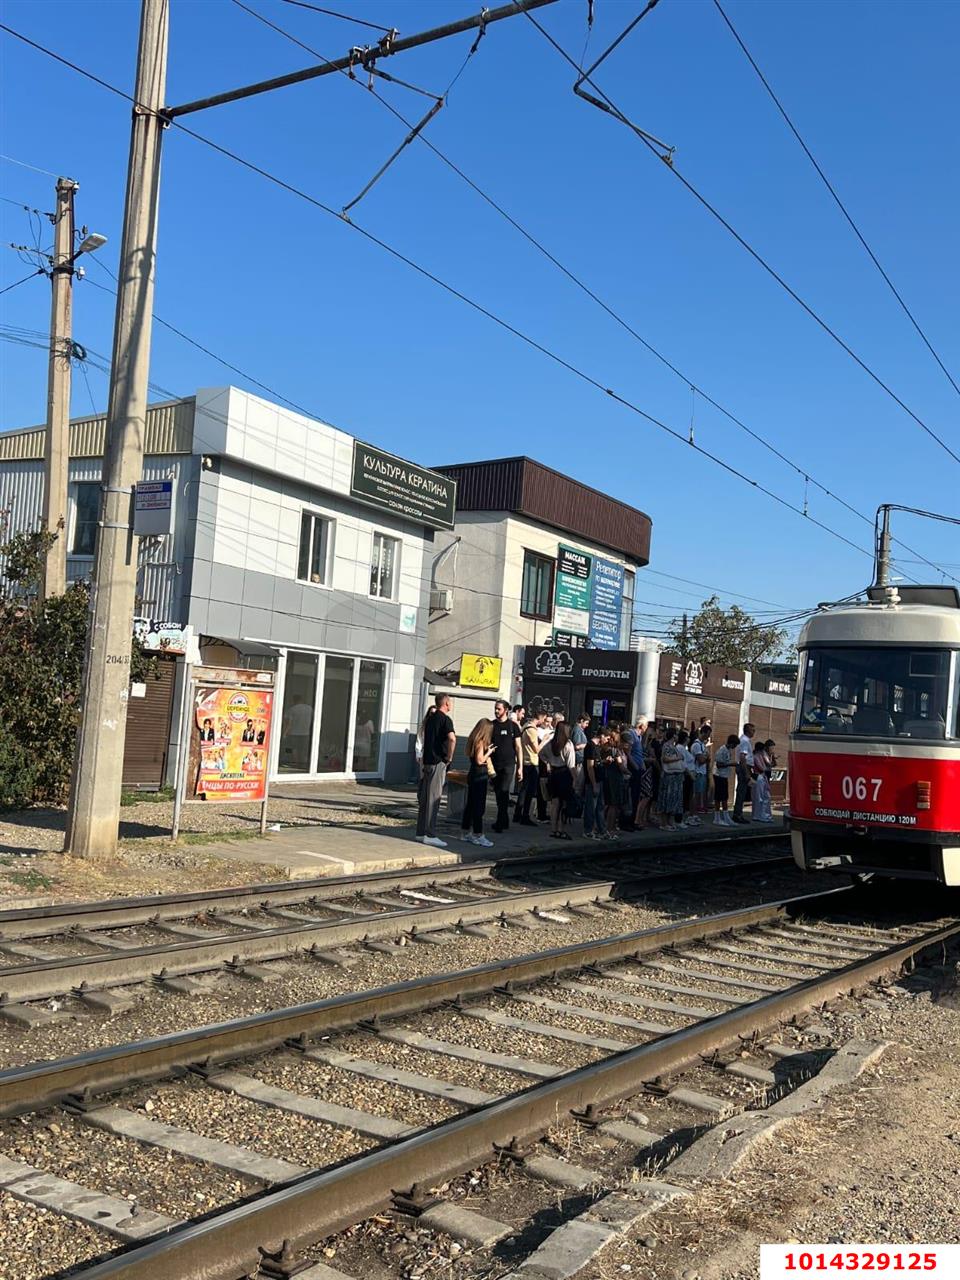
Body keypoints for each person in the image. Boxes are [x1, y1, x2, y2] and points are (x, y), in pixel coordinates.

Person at [415, 695, 455, 848]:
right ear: (445, 703)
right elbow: (452, 739)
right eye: (450, 701)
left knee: (425, 798)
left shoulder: (430, 719)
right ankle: (430, 834)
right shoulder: (445, 720)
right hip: (439, 761)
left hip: (427, 761)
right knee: (434, 798)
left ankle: (420, 832)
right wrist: (449, 757)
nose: (450, 704)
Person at [460, 719, 495, 847]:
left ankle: (465, 832)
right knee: (478, 806)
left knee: (470, 804)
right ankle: (478, 834)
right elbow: (480, 760)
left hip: (473, 773)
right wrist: (489, 753)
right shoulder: (480, 742)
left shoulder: (473, 739)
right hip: (479, 774)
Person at [490, 699, 522, 832]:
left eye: (499, 709)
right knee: (498, 793)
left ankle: (500, 823)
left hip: (508, 765)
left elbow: (519, 747)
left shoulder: (513, 726)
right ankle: (504, 820)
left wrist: (520, 767)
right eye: (495, 708)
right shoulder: (491, 725)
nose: (497, 711)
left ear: (506, 710)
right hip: (495, 764)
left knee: (504, 791)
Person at [541, 719, 576, 839]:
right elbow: (571, 765)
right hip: (564, 773)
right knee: (564, 803)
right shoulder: (568, 744)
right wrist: (575, 779)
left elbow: (541, 754)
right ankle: (561, 829)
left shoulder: (551, 743)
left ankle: (553, 829)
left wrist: (548, 763)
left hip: (554, 774)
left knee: (554, 803)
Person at [514, 710, 545, 826]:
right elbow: (536, 749)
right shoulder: (532, 730)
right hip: (531, 762)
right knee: (529, 791)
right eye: (544, 719)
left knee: (523, 790)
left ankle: (517, 815)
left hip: (525, 762)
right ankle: (525, 816)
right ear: (541, 718)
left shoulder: (525, 726)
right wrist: (545, 740)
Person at [582, 726, 608, 839]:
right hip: (593, 781)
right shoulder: (591, 746)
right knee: (591, 807)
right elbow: (590, 767)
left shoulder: (597, 747)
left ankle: (601, 829)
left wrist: (603, 761)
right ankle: (588, 830)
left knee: (599, 806)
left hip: (599, 779)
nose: (607, 740)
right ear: (601, 736)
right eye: (606, 738)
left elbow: (595, 763)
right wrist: (593, 784)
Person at [658, 728, 685, 831]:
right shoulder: (667, 746)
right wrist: (678, 758)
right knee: (667, 799)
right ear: (674, 735)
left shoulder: (673, 746)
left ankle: (669, 821)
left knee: (673, 800)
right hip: (669, 776)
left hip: (675, 776)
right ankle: (664, 823)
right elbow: (665, 758)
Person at [712, 733, 738, 826]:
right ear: (731, 743)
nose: (734, 747)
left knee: (724, 797)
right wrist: (730, 764)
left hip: (724, 776)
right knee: (719, 797)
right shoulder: (721, 750)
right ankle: (717, 818)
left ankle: (726, 817)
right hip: (719, 775)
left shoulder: (728, 750)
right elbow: (719, 765)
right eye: (734, 745)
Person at [733, 722, 756, 824]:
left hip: (743, 767)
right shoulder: (745, 741)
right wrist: (747, 773)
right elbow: (743, 757)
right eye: (752, 730)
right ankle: (737, 815)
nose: (754, 732)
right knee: (741, 792)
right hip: (744, 767)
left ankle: (738, 813)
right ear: (747, 731)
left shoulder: (743, 740)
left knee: (742, 791)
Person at [677, 730, 700, 827]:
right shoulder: (680, 748)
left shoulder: (685, 748)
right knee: (684, 797)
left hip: (690, 775)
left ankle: (685, 817)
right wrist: (690, 774)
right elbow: (684, 763)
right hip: (687, 775)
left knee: (688, 796)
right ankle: (679, 819)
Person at [752, 739, 776, 823]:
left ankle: (762, 814)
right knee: (759, 797)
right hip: (759, 777)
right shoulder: (756, 756)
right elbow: (762, 768)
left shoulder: (760, 756)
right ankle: (758, 815)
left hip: (763, 777)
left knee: (765, 796)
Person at [689, 725, 710, 817]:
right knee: (695, 794)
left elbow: (706, 757)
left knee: (700, 793)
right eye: (707, 734)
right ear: (703, 733)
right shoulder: (696, 745)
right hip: (697, 772)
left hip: (703, 772)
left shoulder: (703, 745)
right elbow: (701, 760)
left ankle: (695, 813)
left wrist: (706, 757)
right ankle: (692, 814)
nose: (708, 737)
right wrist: (706, 758)